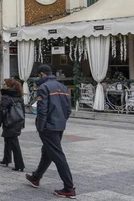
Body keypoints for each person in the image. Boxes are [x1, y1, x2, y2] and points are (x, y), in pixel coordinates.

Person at [26, 65, 75, 198]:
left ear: (42, 74)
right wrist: (62, 120)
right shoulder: (63, 87)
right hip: (59, 125)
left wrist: (40, 127)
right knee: (47, 151)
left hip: (48, 126)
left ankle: (69, 188)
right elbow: (68, 109)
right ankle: (36, 177)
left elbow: (42, 110)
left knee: (57, 155)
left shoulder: (43, 88)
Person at [0, 78, 25, 172]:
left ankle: (19, 164)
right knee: (8, 140)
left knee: (13, 142)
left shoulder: (6, 96)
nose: (3, 85)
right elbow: (22, 111)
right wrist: (22, 123)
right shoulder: (19, 96)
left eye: (4, 84)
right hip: (17, 121)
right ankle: (6, 159)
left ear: (9, 86)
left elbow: (2, 111)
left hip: (9, 122)